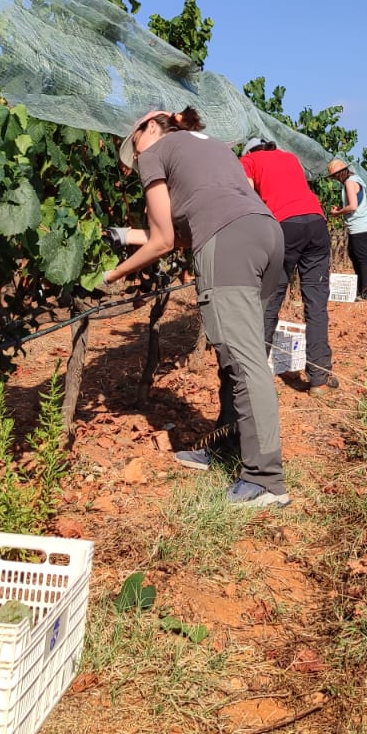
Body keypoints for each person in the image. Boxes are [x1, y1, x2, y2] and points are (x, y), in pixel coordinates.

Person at [105, 107, 291, 508]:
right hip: (265, 232)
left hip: (230, 244)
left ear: (150, 127)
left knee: (242, 361)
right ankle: (228, 448)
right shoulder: (215, 147)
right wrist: (126, 234)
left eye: (134, 146)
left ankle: (265, 480)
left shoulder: (155, 152)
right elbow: (193, 225)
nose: (136, 158)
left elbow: (163, 242)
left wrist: (111, 276)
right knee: (243, 354)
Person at [240, 136, 337, 395]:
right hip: (317, 224)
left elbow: (248, 199)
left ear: (249, 150)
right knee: (316, 304)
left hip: (285, 226)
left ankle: (255, 378)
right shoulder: (290, 158)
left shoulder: (247, 161)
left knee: (270, 301)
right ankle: (319, 378)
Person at [327, 158, 367, 300]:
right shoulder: (355, 179)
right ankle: (361, 290)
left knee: (361, 257)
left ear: (341, 173)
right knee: (354, 254)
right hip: (360, 224)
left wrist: (337, 213)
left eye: (335, 175)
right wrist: (342, 209)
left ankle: (366, 293)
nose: (335, 178)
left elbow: (353, 206)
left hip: (360, 225)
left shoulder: (349, 182)